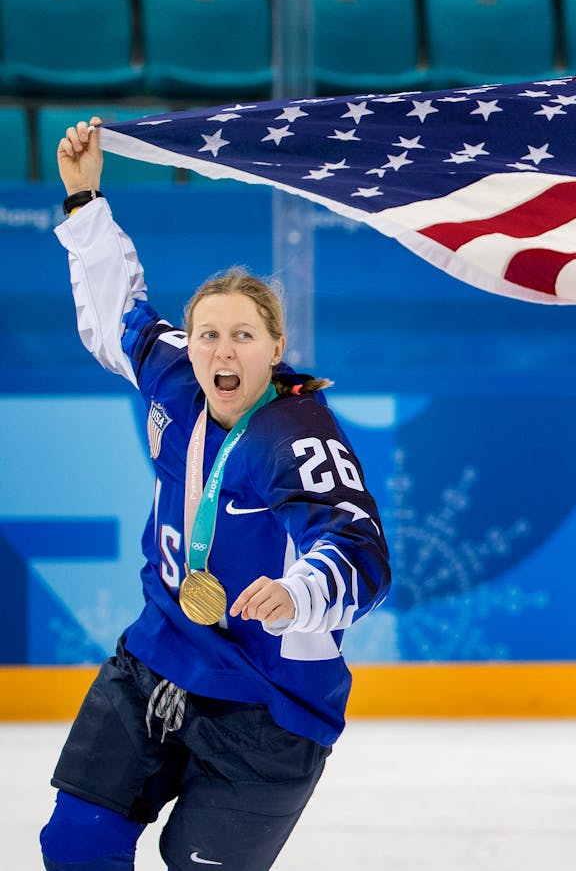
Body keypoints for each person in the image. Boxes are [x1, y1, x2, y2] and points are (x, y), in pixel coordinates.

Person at [39, 118, 392, 871]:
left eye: (241, 337)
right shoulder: (173, 375)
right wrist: (85, 201)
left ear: (275, 346)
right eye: (208, 335)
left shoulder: (297, 438)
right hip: (157, 658)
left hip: (269, 708)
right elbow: (118, 314)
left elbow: (359, 552)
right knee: (75, 842)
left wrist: (298, 593)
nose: (221, 351)